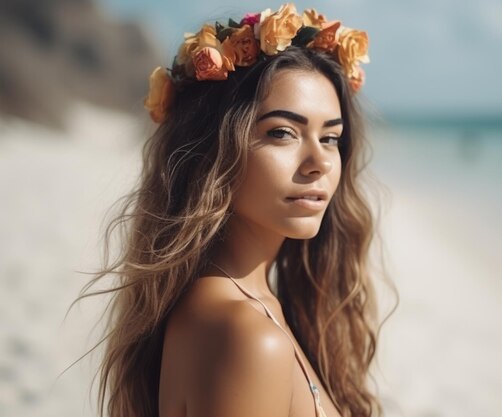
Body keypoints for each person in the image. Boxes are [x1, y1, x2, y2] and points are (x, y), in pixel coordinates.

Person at [79, 3, 390, 417]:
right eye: (282, 133)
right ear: (214, 150)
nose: (319, 161)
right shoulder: (243, 333)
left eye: (331, 138)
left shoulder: (238, 304)